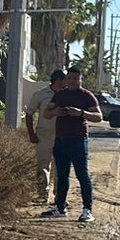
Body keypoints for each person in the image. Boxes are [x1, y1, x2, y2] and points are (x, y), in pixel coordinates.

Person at [42, 68, 103, 222]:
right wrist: (56, 112)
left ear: (81, 79)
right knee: (62, 175)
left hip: (78, 140)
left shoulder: (87, 96)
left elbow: (98, 117)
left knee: (82, 175)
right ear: (65, 80)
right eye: (69, 78)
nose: (72, 81)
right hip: (61, 140)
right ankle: (60, 207)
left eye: (75, 78)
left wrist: (81, 113)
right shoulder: (60, 95)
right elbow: (46, 114)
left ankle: (87, 210)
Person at [24, 70, 64, 203]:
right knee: (42, 165)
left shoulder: (67, 95)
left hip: (63, 136)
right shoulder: (40, 94)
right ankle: (42, 194)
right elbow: (29, 114)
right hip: (44, 135)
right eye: (65, 79)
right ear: (58, 80)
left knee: (61, 167)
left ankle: (60, 196)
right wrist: (31, 133)